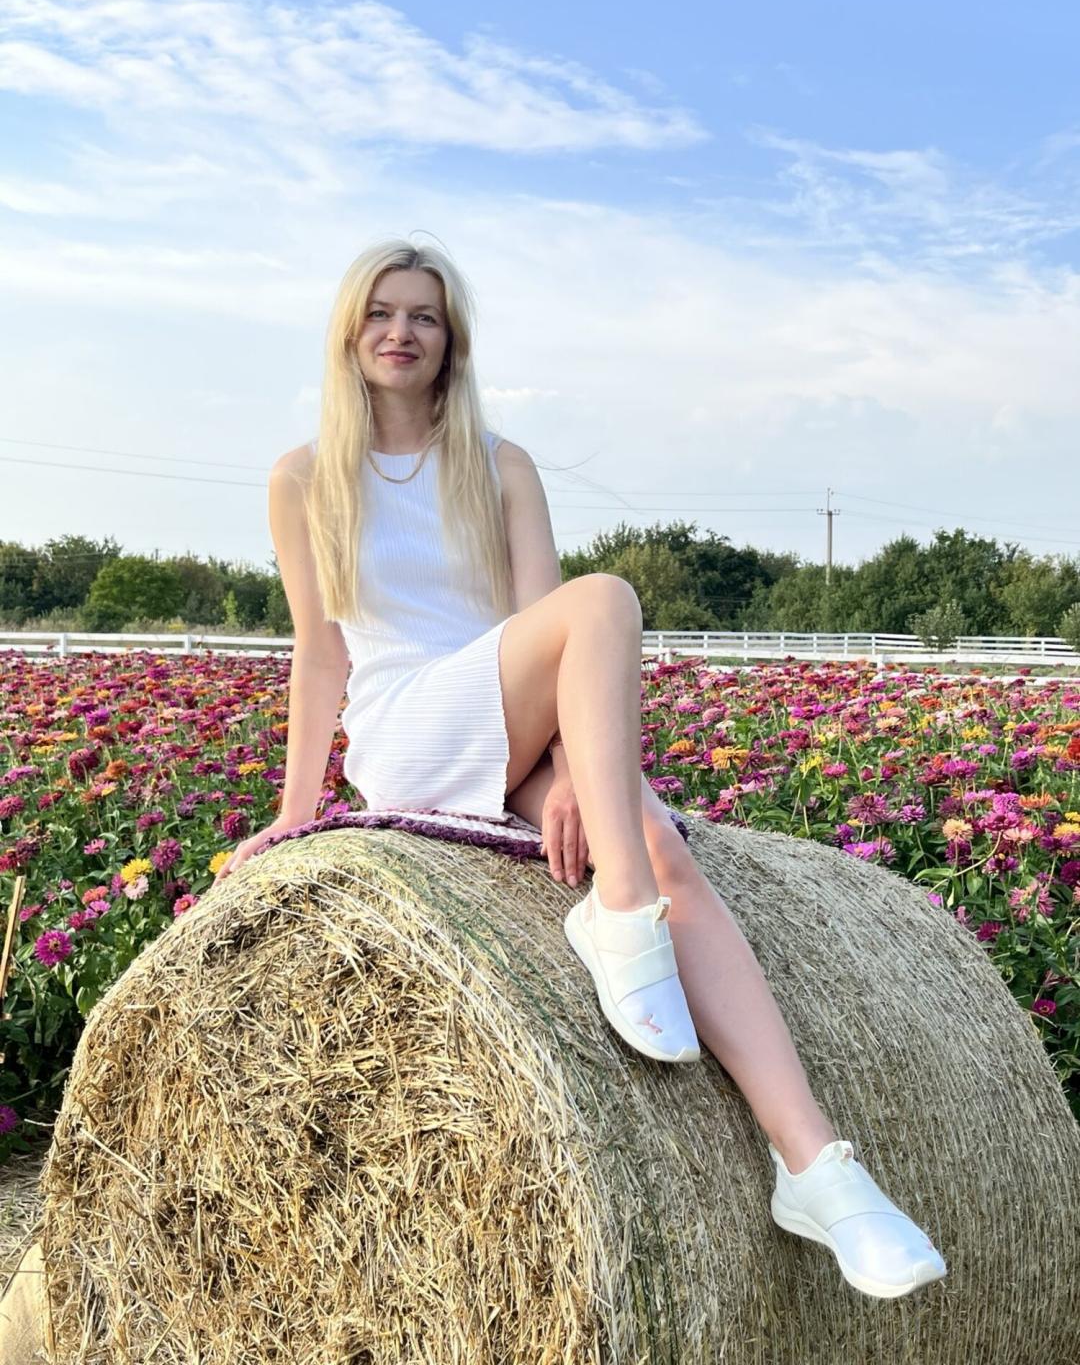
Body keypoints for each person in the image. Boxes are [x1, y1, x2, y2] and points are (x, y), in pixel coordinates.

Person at [215, 235, 948, 1300]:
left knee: (654, 842)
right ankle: (622, 912)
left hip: (513, 712)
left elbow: (541, 631)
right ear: (348, 332)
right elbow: (321, 653)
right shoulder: (302, 478)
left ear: (451, 340)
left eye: (423, 316)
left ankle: (816, 1167)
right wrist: (295, 812)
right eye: (380, 312)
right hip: (410, 722)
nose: (400, 332)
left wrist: (564, 768)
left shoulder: (499, 465)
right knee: (607, 600)